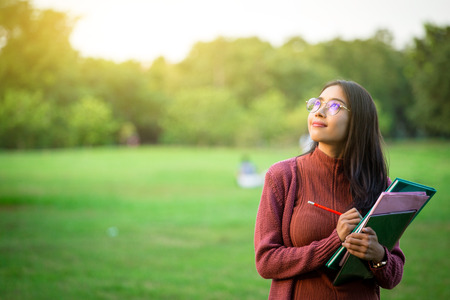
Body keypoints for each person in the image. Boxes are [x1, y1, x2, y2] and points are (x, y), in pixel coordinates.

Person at [254, 80, 404, 299]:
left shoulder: (381, 185)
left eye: (334, 106)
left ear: (358, 121)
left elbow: (393, 276)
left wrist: (378, 255)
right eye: (317, 104)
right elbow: (266, 262)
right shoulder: (283, 176)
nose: (320, 112)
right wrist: (335, 241)